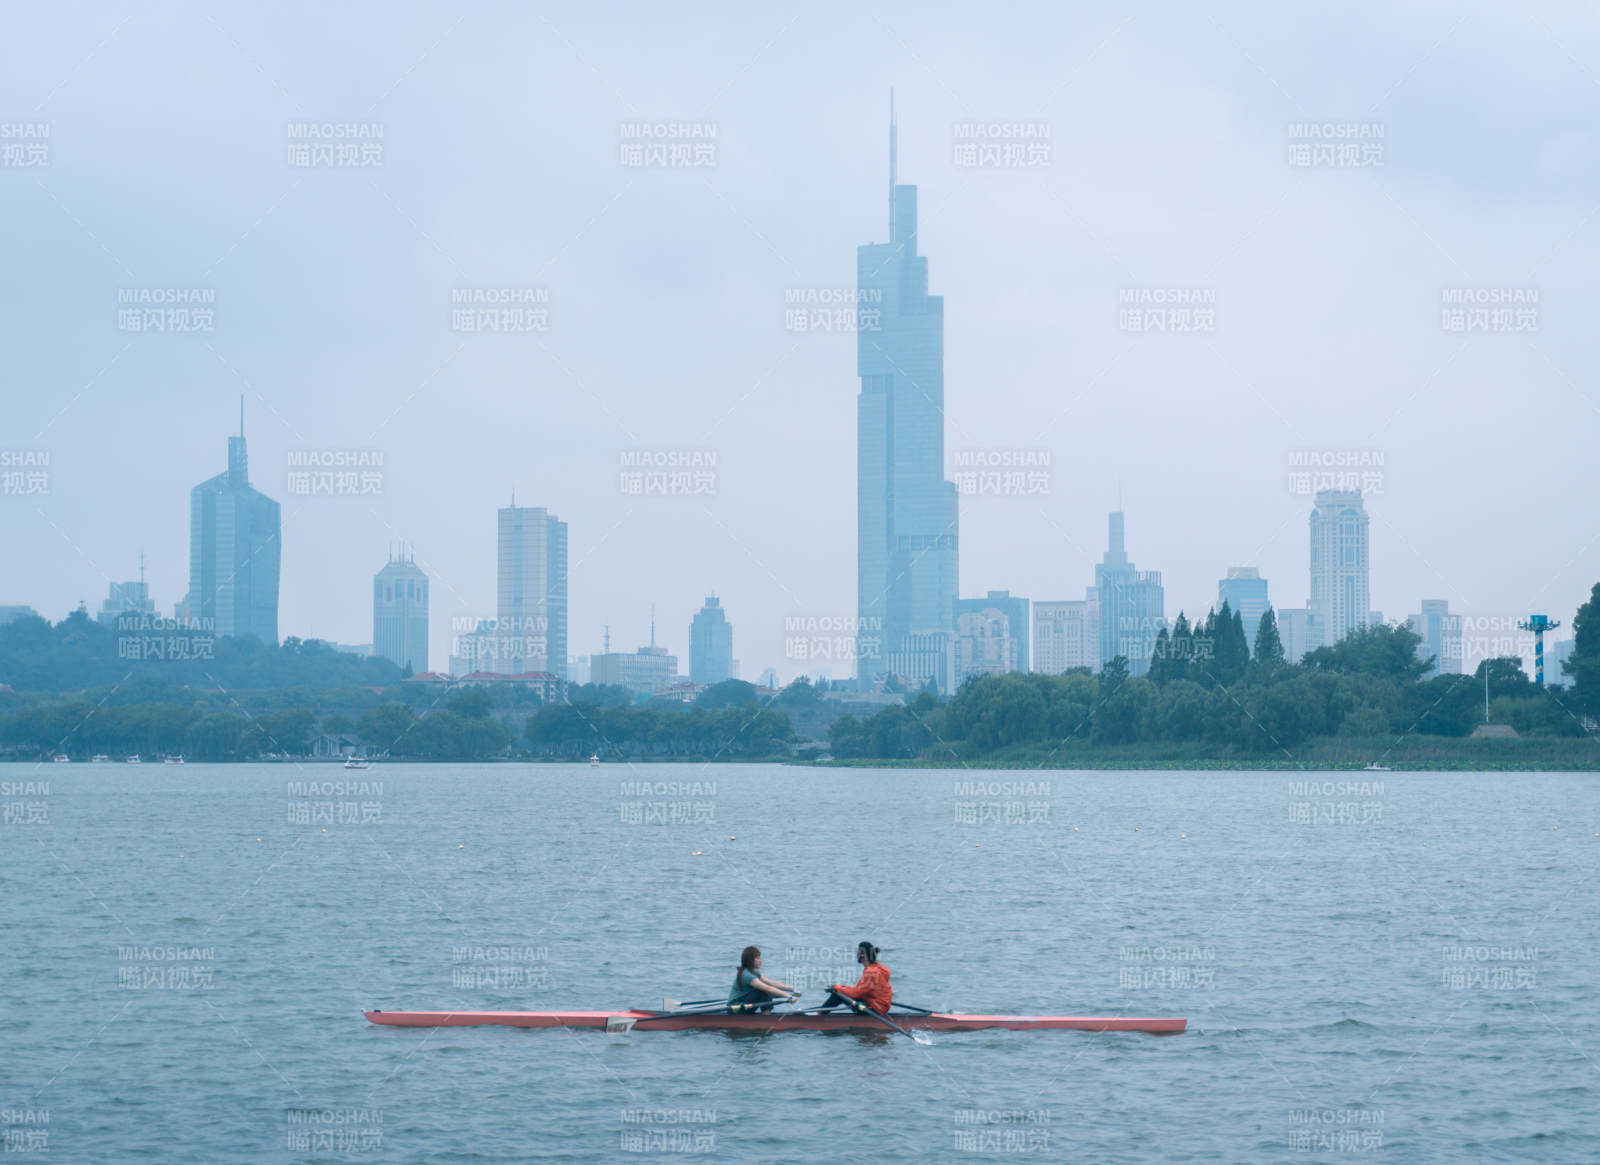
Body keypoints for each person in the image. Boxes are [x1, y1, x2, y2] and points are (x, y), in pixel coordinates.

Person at [821, 941, 892, 1014]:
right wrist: (841, 988)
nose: (856, 955)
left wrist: (837, 987)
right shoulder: (879, 968)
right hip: (879, 1005)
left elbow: (856, 993)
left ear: (863, 955)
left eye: (858, 953)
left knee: (837, 995)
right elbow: (860, 991)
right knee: (841, 991)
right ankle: (821, 1012)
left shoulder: (871, 972)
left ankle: (819, 1016)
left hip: (875, 1009)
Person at [728, 946, 800, 1010]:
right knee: (763, 990)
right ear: (750, 960)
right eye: (758, 958)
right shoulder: (747, 975)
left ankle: (766, 1016)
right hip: (736, 1008)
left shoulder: (754, 972)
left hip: (746, 1004)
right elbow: (767, 988)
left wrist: (792, 989)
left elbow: (771, 983)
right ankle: (767, 1019)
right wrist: (789, 996)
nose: (760, 960)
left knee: (766, 991)